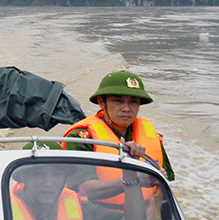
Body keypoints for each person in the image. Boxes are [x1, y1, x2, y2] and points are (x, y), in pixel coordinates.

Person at [9, 142, 148, 220]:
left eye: (57, 174)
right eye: (38, 174)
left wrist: (130, 174)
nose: (49, 183)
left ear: (65, 178)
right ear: (23, 176)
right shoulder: (1, 207)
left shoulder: (78, 206)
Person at [63, 70, 174, 208]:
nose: (126, 109)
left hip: (147, 215)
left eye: (133, 102)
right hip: (97, 219)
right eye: (118, 101)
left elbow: (169, 180)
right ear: (101, 103)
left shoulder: (150, 135)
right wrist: (135, 180)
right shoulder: (82, 138)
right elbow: (84, 189)